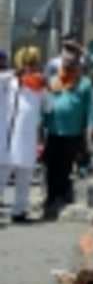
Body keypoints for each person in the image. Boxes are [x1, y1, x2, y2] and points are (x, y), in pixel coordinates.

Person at [43, 41, 93, 220]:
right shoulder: (54, 80)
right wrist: (41, 125)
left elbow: (91, 109)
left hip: (73, 132)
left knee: (65, 166)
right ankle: (51, 198)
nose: (67, 64)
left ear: (77, 63)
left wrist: (90, 128)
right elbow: (46, 105)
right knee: (51, 165)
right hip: (53, 131)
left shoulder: (85, 84)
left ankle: (60, 197)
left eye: (71, 61)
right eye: (65, 61)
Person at [0, 47, 46, 223]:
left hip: (29, 137)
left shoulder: (40, 85)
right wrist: (16, 74)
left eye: (33, 63)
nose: (31, 67)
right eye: (28, 63)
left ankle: (19, 211)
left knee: (25, 177)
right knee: (3, 173)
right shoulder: (11, 82)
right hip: (10, 137)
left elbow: (48, 105)